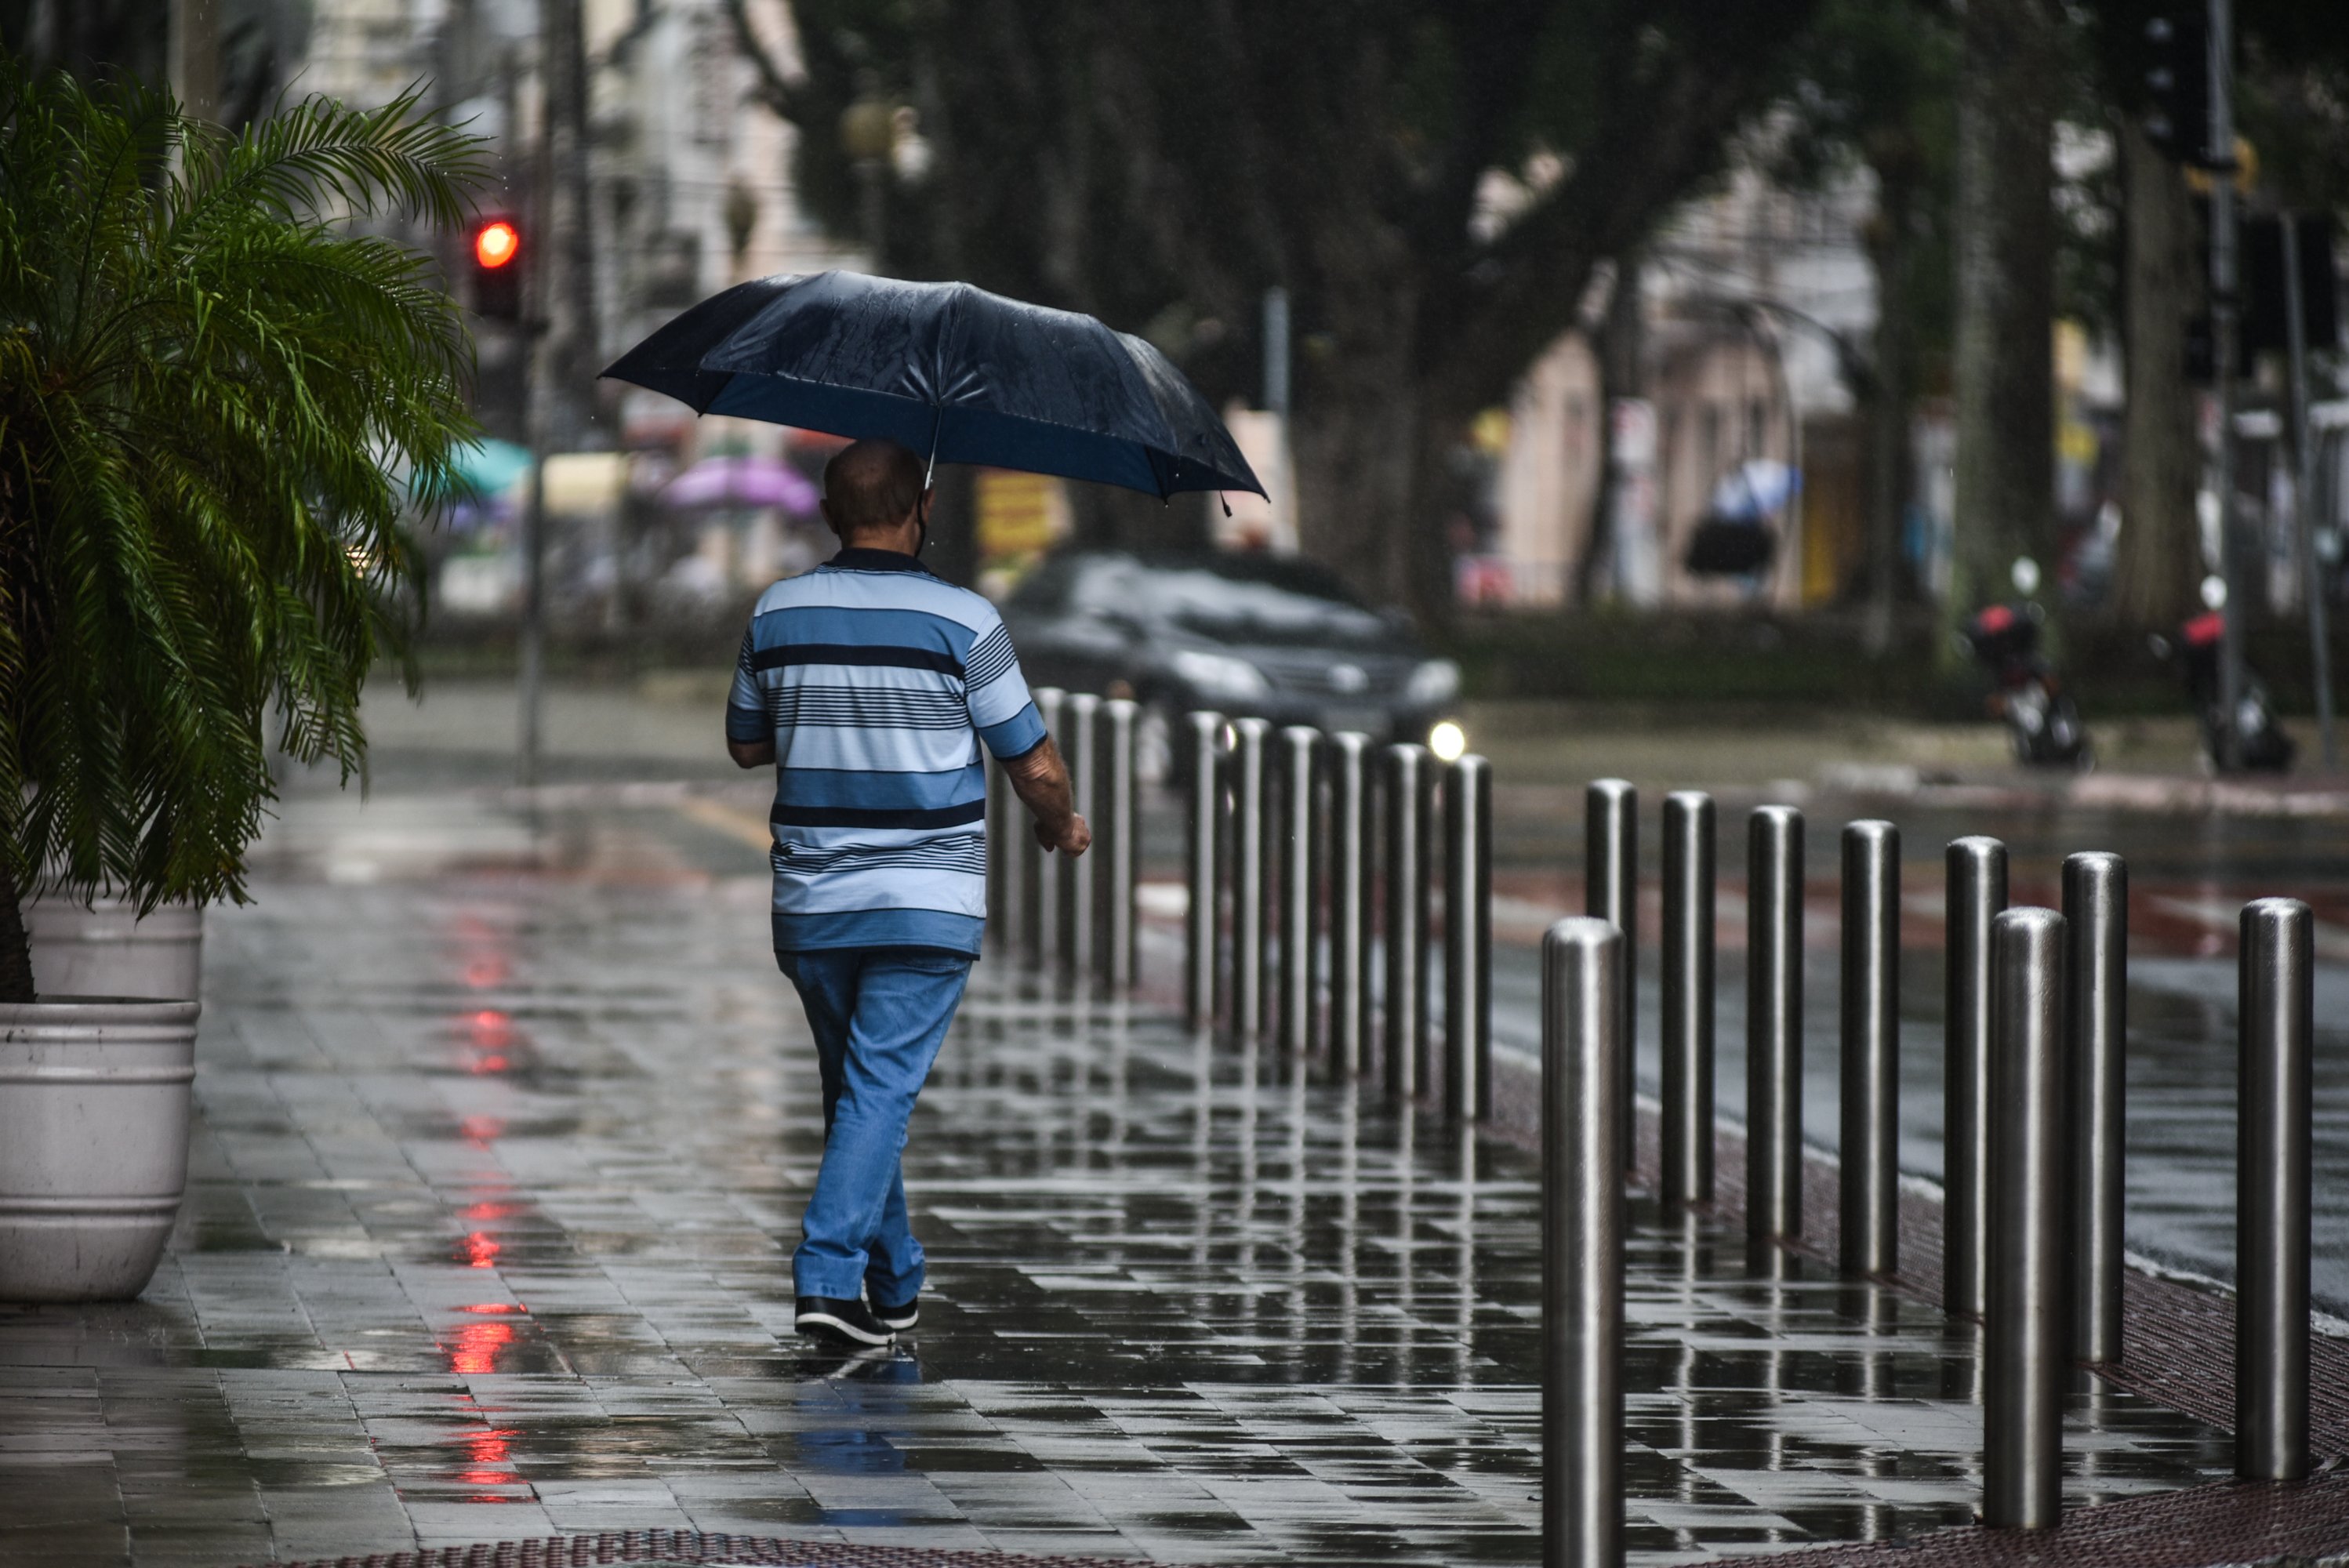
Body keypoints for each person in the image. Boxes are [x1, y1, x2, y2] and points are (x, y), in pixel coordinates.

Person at [725, 437, 1088, 1347]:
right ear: (921, 508)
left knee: (859, 1088)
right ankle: (826, 1278)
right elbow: (1032, 761)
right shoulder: (964, 620)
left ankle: (893, 1285)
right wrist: (1061, 823)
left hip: (813, 902)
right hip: (926, 900)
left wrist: (827, 713)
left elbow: (744, 740)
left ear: (827, 513)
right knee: (879, 1087)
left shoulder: (778, 610)